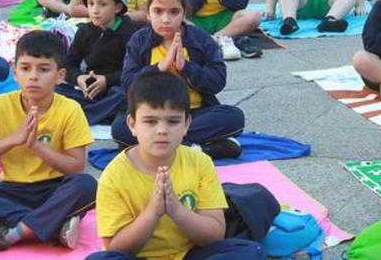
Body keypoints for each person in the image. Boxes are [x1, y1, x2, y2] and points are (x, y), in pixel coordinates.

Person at [88, 71, 268, 260]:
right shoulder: (114, 175)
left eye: (173, 121)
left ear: (186, 125)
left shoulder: (200, 163)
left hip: (190, 254)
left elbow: (214, 235)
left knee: (248, 251)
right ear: (132, 125)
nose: (162, 131)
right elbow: (115, 249)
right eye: (150, 121)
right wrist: (153, 213)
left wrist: (176, 210)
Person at [0, 30, 97, 254]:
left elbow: (76, 167)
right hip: (11, 190)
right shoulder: (0, 105)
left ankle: (12, 233)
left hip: (54, 189)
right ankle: (53, 223)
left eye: (44, 69)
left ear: (60, 75)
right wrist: (14, 139)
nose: (33, 77)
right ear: (15, 72)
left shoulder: (70, 109)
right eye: (26, 68)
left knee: (87, 185)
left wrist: (36, 147)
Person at [114, 0, 243, 159]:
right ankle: (202, 149)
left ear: (184, 14)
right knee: (120, 128)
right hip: (152, 116)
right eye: (158, 11)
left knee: (234, 117)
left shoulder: (200, 38)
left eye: (174, 12)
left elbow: (218, 80)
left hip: (193, 114)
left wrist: (187, 68)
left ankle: (172, 145)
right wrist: (160, 68)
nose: (165, 19)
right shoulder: (139, 40)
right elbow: (128, 84)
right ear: (148, 14)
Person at [59, 0, 137, 124]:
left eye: (102, 4)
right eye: (91, 3)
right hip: (90, 88)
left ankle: (81, 115)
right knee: (54, 91)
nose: (95, 10)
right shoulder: (84, 31)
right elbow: (68, 65)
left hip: (115, 87)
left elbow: (133, 71)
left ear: (117, 7)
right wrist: (79, 78)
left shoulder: (130, 33)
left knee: (125, 96)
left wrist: (106, 80)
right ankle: (100, 113)